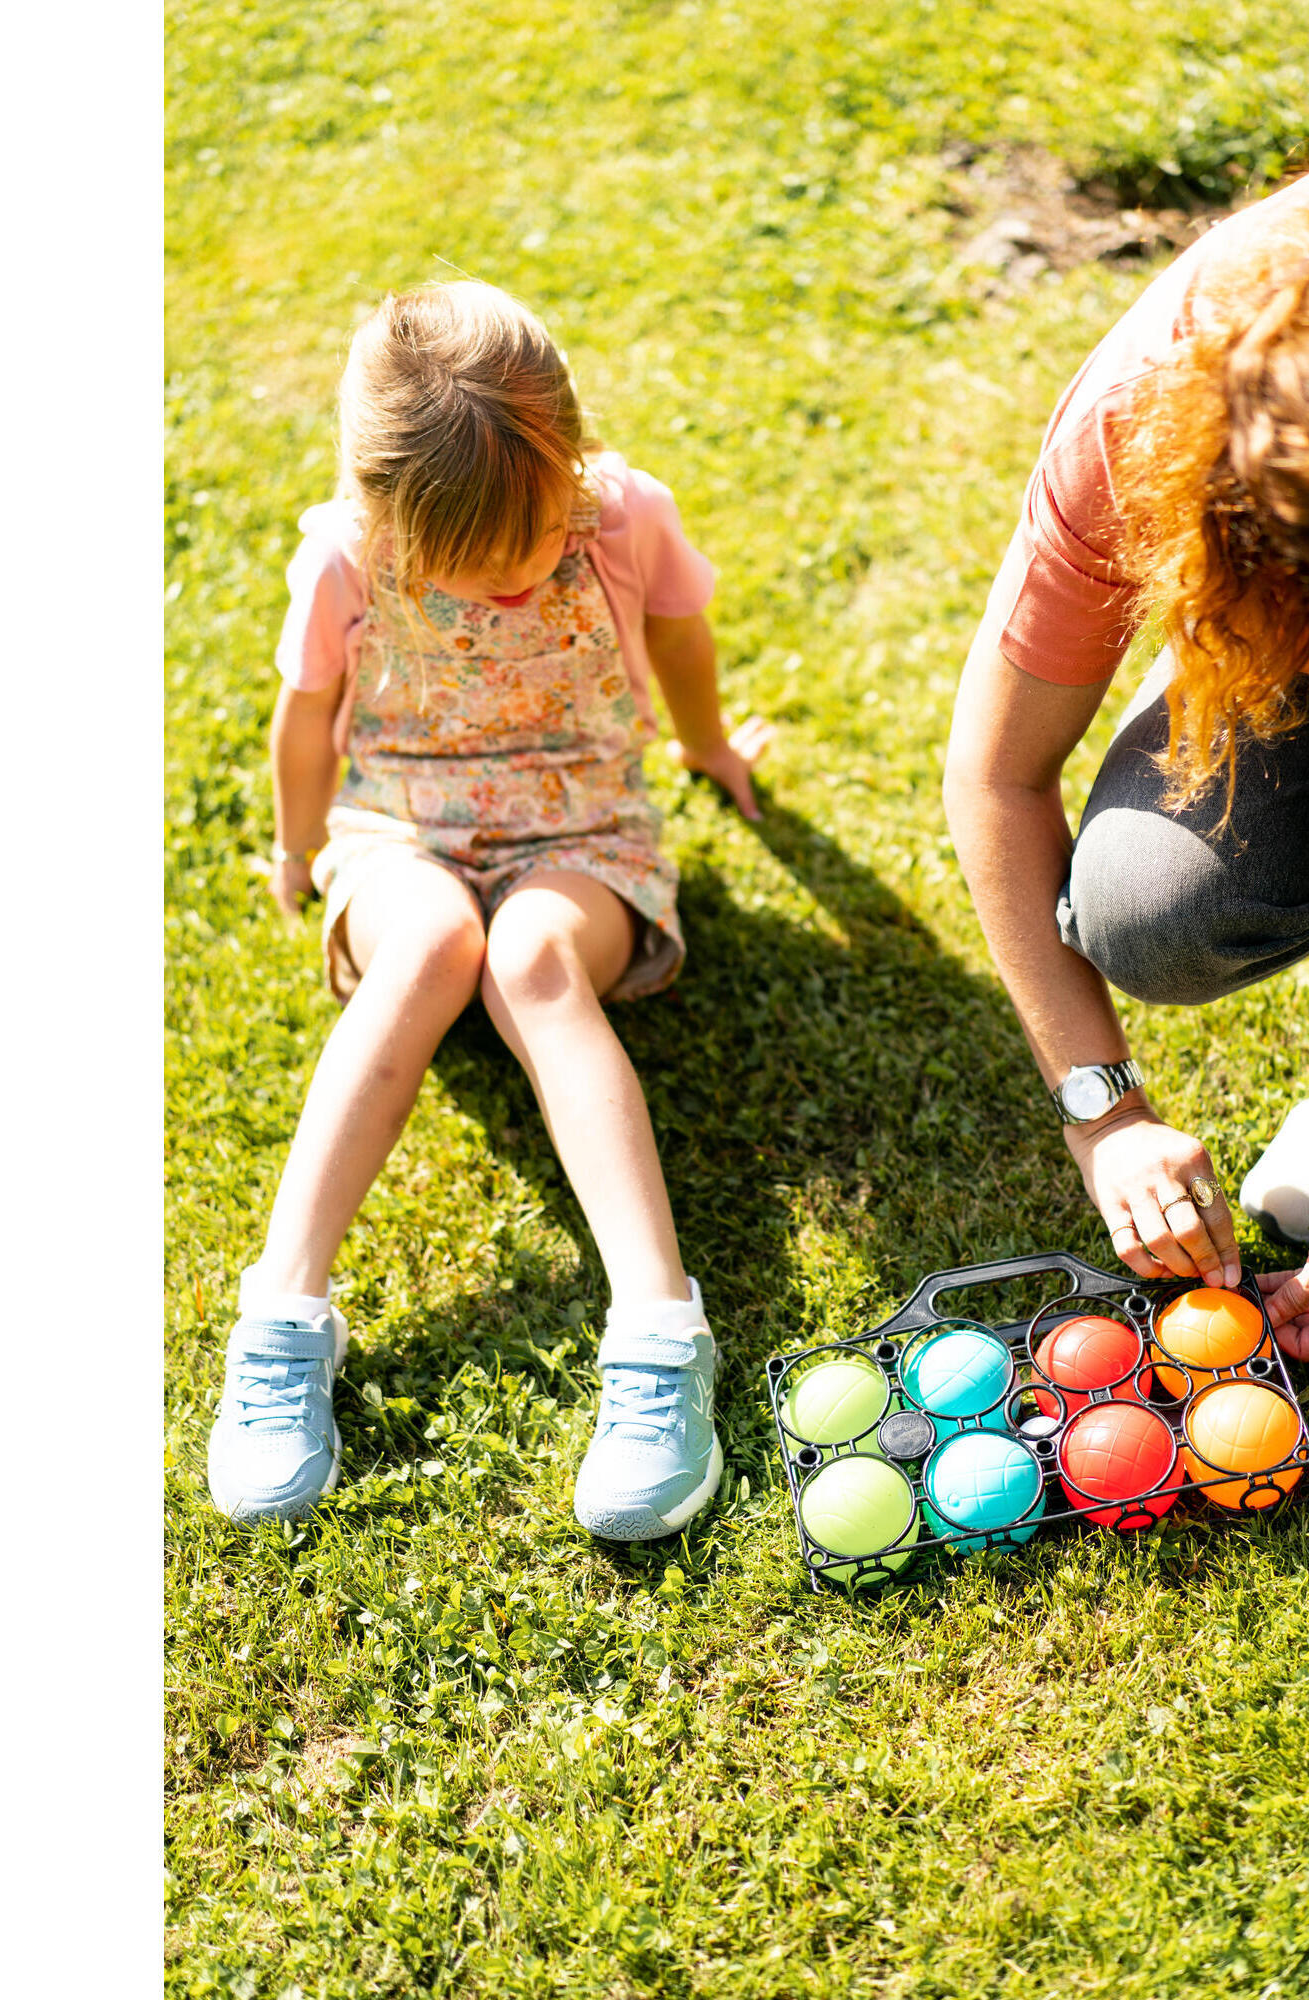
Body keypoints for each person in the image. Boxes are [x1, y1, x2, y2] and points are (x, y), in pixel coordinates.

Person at [205, 281, 772, 1537]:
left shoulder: (623, 517)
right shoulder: (345, 554)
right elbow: (306, 715)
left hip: (583, 831)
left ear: (571, 452)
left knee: (530, 958)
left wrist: (707, 743)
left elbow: (681, 636)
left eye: (531, 541)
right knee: (427, 943)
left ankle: (660, 1328)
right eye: (474, 564)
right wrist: (299, 850)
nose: (516, 576)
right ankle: (283, 1312)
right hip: (402, 826)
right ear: (380, 505)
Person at [943, 113, 1309, 1362]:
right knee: (1151, 907)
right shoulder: (1150, 417)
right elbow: (992, 772)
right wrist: (1105, 1114)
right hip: (1277, 605)